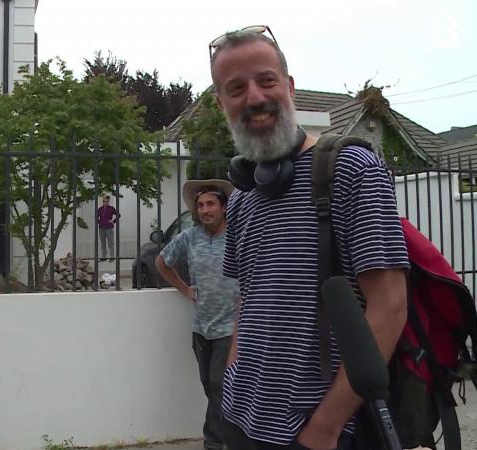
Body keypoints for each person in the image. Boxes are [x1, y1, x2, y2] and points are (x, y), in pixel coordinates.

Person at [209, 26, 409, 450]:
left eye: (266, 81)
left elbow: (389, 306)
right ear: (220, 103)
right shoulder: (242, 197)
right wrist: (232, 381)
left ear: (289, 86)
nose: (255, 98)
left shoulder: (351, 170)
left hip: (317, 432)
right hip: (240, 420)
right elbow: (248, 300)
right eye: (236, 88)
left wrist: (325, 428)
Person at [155, 179, 239, 450]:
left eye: (210, 204)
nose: (204, 210)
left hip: (231, 327)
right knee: (210, 386)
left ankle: (214, 443)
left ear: (223, 207)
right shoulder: (189, 237)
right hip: (202, 327)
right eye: (200, 205)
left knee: (218, 385)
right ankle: (232, 435)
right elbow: (161, 263)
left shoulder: (238, 236)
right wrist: (185, 289)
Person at [96, 195, 120, 261]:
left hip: (109, 228)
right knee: (103, 243)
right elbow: (96, 216)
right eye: (104, 201)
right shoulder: (100, 209)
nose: (105, 202)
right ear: (102, 202)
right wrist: (99, 222)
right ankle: (104, 256)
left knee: (110, 243)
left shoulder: (111, 208)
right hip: (101, 228)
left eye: (106, 201)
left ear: (108, 202)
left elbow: (118, 215)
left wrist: (113, 221)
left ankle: (112, 257)